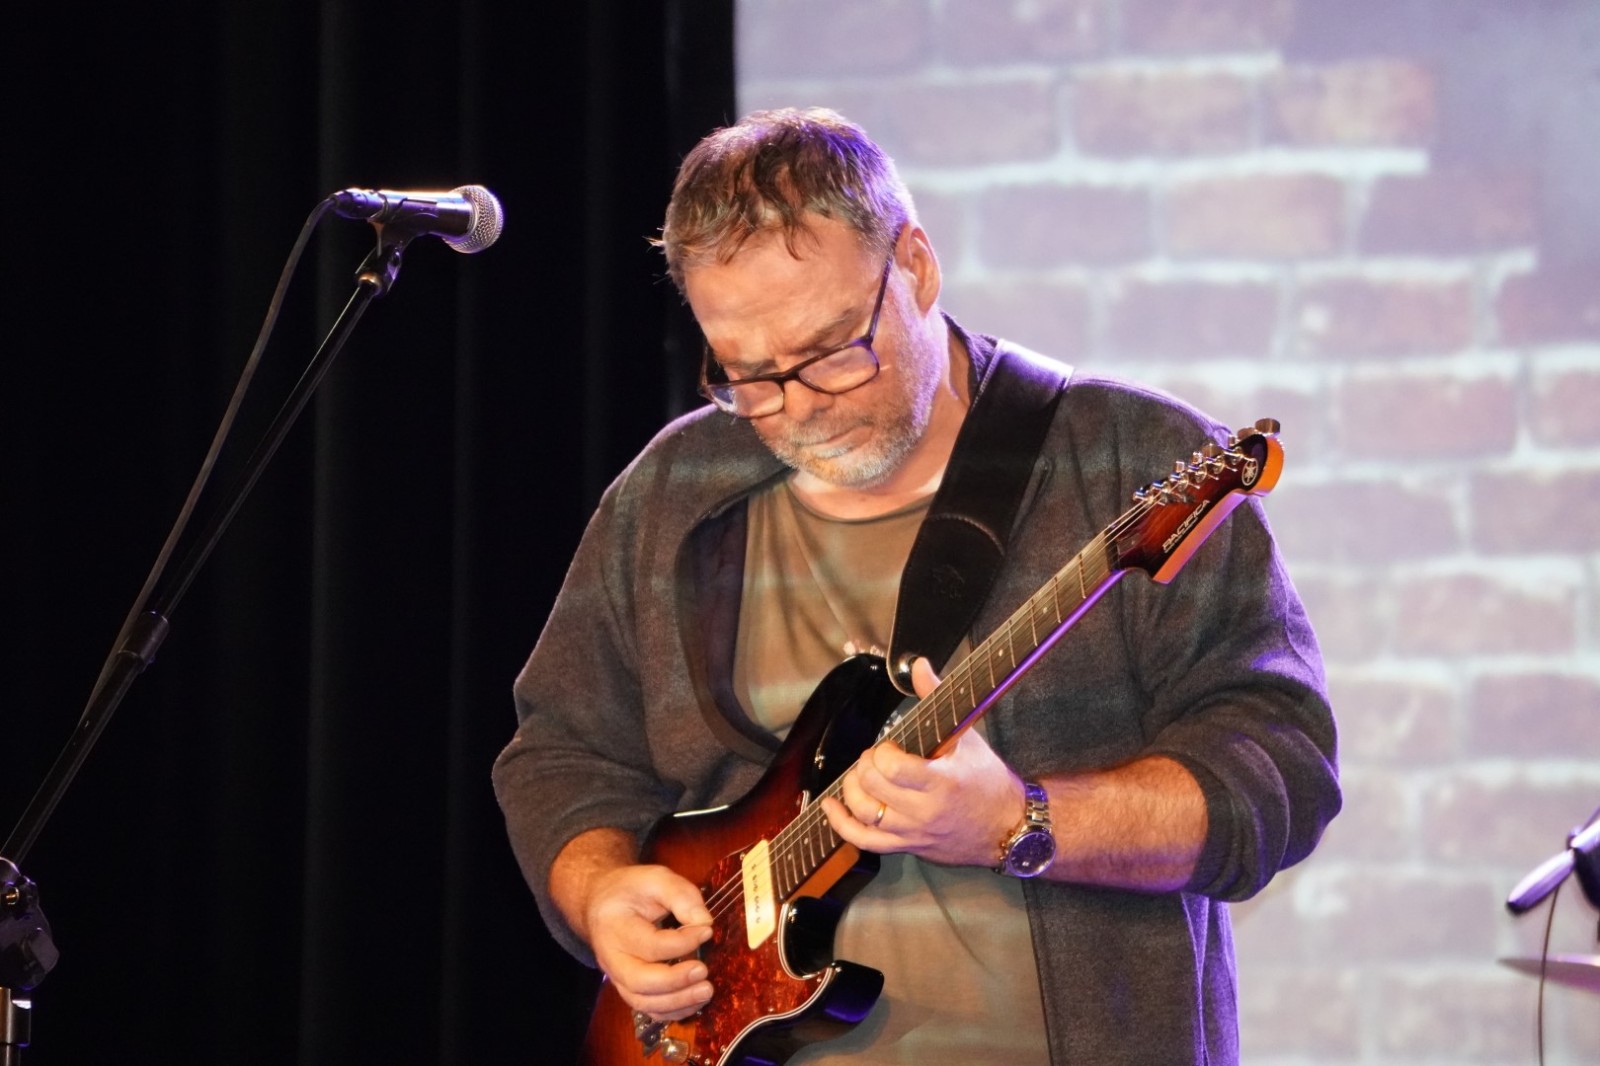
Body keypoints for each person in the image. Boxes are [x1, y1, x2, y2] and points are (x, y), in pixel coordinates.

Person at [492, 107, 1340, 1065]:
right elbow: (562, 754)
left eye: (830, 351)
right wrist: (601, 891)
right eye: (748, 375)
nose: (799, 406)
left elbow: (1280, 770)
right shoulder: (671, 494)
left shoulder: (1126, 461)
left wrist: (1021, 821)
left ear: (917, 268)